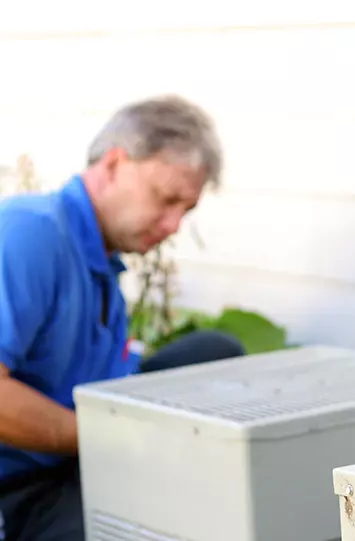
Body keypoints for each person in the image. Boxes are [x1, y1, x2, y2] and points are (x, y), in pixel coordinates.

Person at [0, 96, 247, 540]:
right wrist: (111, 439)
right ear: (113, 165)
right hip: (20, 489)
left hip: (80, 450)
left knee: (216, 353)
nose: (174, 225)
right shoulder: (29, 234)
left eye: (185, 211)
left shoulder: (100, 255)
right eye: (166, 198)